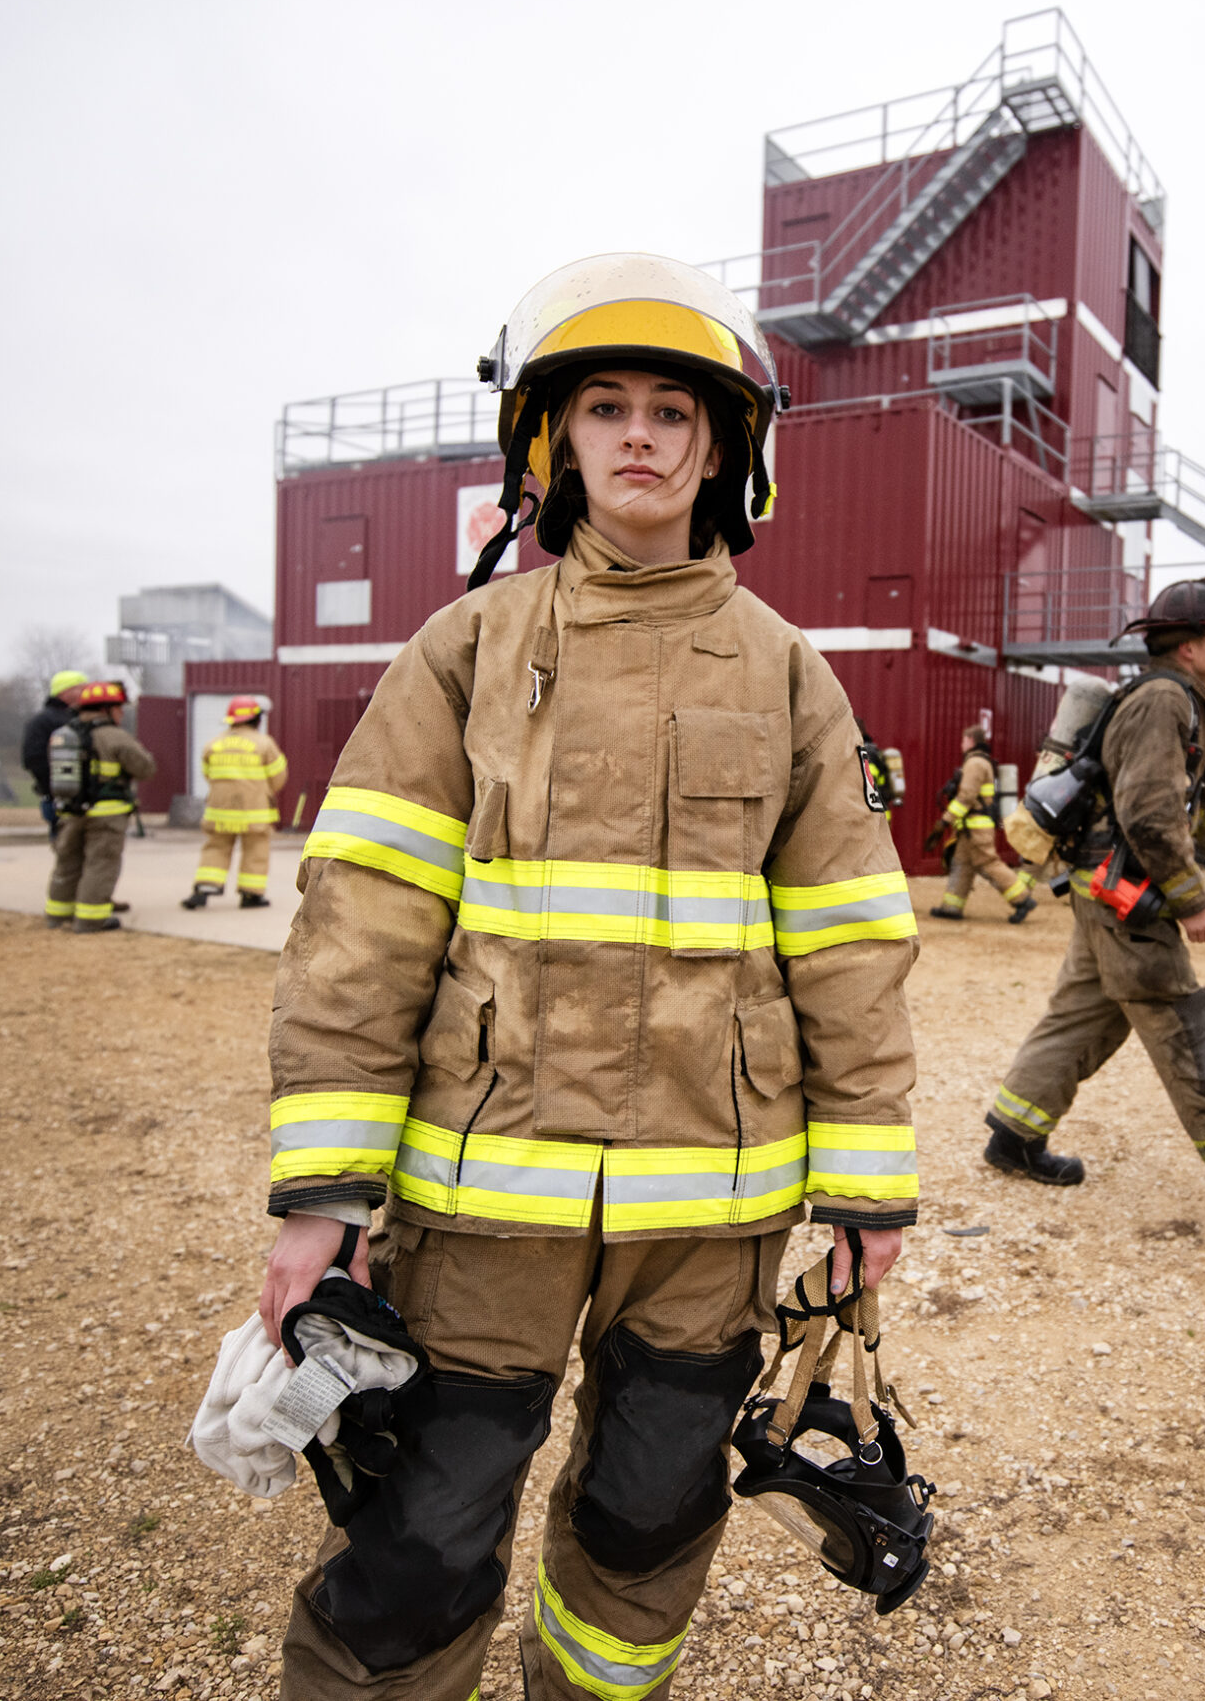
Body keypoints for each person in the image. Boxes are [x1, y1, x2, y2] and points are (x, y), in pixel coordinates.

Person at [256, 253, 919, 1700]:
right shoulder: (464, 652)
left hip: (713, 1221)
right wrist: (321, 1202)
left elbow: (853, 946)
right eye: (604, 407)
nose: (638, 436)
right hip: (483, 1205)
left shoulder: (790, 674)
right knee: (417, 1548)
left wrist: (867, 1195)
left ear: (722, 450)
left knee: (647, 1534)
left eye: (673, 412)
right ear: (549, 445)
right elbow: (364, 926)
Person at [981, 574, 1205, 1223]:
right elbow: (1149, 815)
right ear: (1187, 647)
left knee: (1085, 1014)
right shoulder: (1165, 703)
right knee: (1184, 1019)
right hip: (1128, 899)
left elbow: (1196, 811)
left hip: (1104, 892)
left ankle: (1014, 1135)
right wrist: (1194, 899)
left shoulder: (1183, 703)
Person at [43, 680, 155, 932]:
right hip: (106, 815)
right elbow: (146, 769)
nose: (122, 713)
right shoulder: (115, 736)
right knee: (101, 864)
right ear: (107, 709)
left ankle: (57, 916)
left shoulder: (65, 735)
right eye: (119, 708)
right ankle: (91, 920)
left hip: (70, 812)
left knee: (67, 863)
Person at [184, 696, 288, 909]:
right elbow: (279, 776)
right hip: (254, 812)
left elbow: (208, 774)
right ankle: (251, 894)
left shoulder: (214, 744)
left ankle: (206, 887)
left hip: (219, 811)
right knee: (256, 850)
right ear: (256, 719)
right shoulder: (264, 744)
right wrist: (263, 792)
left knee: (216, 847)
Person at [929, 719, 1037, 923]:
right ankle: (951, 907)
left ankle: (1022, 899)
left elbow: (967, 796)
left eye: (963, 740)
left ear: (970, 740)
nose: (961, 744)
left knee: (989, 864)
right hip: (970, 828)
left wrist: (945, 820)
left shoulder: (975, 763)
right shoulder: (979, 760)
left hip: (977, 828)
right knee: (961, 864)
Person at [19, 669, 89, 834]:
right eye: (81, 688)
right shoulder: (43, 722)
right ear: (65, 692)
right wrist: (57, 785)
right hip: (59, 800)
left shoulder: (81, 719)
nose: (86, 693)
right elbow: (32, 759)